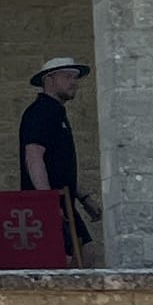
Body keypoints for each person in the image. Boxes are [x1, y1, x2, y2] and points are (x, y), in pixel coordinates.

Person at [18, 53, 95, 255]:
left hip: (63, 200)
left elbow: (61, 164)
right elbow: (33, 157)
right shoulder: (41, 111)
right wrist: (47, 202)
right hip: (50, 202)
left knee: (84, 253)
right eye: (67, 77)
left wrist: (84, 198)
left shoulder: (56, 112)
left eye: (75, 78)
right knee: (72, 257)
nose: (74, 83)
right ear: (49, 80)